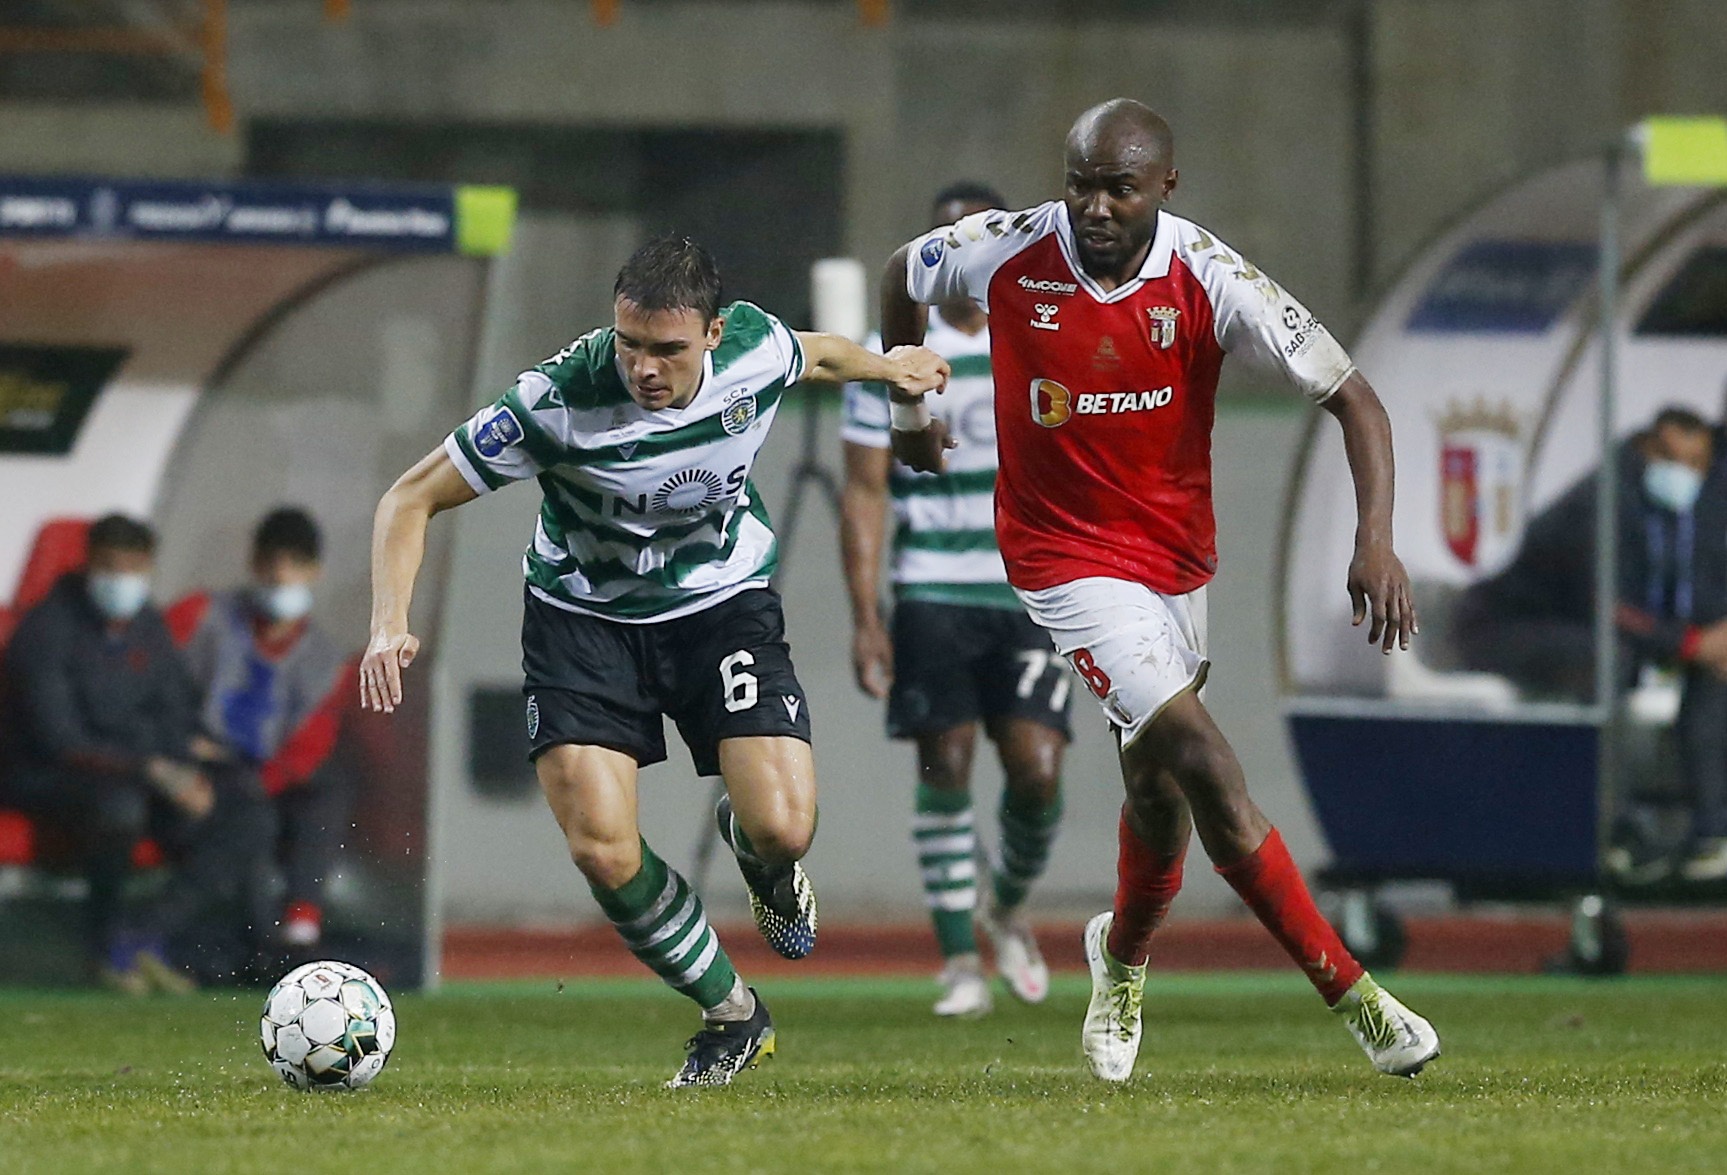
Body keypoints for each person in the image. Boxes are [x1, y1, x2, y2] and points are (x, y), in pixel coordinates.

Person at [881, 99, 1439, 1082]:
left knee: (1158, 789)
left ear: (1163, 188)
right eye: (1079, 183)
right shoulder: (1008, 250)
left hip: (1173, 565)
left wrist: (1374, 539)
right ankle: (1357, 998)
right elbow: (900, 275)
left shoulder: (1207, 275)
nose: (1092, 206)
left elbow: (1352, 397)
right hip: (1060, 561)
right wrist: (907, 411)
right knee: (1206, 762)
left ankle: (1120, 959)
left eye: (1117, 188)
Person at [359, 235, 948, 1087]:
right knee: (601, 848)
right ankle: (732, 1012)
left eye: (666, 349)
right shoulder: (553, 398)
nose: (642, 366)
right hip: (583, 620)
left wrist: (886, 367)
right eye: (629, 343)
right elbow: (407, 497)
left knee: (783, 826)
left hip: (720, 607)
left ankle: (760, 863)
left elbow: (815, 354)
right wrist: (388, 622)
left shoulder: (753, 349)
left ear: (712, 334)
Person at [841, 181, 1071, 1018]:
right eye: (939, 243)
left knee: (1037, 774)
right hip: (932, 588)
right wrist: (867, 616)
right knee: (945, 766)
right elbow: (863, 489)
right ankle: (956, 962)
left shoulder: (1039, 332)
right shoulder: (887, 348)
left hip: (1031, 587)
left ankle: (1004, 907)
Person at [1, 514, 271, 993]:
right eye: (110, 568)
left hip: (142, 771)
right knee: (120, 806)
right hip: (48, 775)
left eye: (133, 570)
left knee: (245, 805)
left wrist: (188, 762)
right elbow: (59, 740)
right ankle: (100, 947)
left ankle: (145, 934)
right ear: (88, 565)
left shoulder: (146, 623)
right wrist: (153, 768)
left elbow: (174, 706)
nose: (121, 582)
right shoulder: (45, 630)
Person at [1456, 408, 1727, 882]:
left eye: (1701, 464)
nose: (1692, 476)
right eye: (1682, 460)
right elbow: (1608, 605)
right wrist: (1689, 641)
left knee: (1709, 671)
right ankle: (1611, 830)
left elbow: (1670, 596)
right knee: (1609, 663)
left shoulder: (1664, 511)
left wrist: (1710, 641)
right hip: (1502, 627)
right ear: (1653, 445)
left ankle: (1711, 835)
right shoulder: (1602, 504)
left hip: (1580, 627)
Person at [167, 507, 352, 950]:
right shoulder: (200, 616)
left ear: (314, 572)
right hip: (197, 760)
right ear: (254, 563)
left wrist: (264, 780)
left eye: (295, 565)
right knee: (251, 811)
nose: (281, 576)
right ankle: (261, 943)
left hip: (260, 770)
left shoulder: (324, 659)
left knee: (329, 786)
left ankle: (301, 922)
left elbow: (310, 744)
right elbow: (153, 685)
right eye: (272, 563)